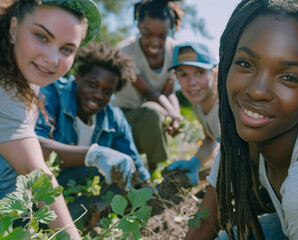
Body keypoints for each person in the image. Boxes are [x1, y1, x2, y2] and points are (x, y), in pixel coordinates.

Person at [185, 0, 298, 240]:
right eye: (246, 64)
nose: (257, 91)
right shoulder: (240, 138)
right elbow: (206, 219)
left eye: (288, 77)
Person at [0, 0, 101, 238]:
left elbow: (29, 167)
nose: (52, 59)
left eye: (66, 49)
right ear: (13, 28)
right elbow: (33, 170)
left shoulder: (22, 77)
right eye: (41, 36)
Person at [35, 42, 151, 220]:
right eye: (92, 84)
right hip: (36, 189)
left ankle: (81, 221)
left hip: (73, 190)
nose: (98, 95)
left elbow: (135, 165)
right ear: (78, 77)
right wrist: (93, 155)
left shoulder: (113, 117)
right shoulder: (52, 93)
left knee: (120, 171)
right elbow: (33, 147)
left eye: (107, 92)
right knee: (100, 170)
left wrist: (153, 196)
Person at [111, 0, 184, 174]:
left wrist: (176, 117)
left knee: (155, 112)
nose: (155, 42)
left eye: (162, 36)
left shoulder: (175, 50)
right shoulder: (125, 51)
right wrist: (171, 113)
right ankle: (149, 174)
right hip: (124, 120)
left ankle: (153, 172)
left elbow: (168, 92)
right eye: (148, 34)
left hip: (153, 117)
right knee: (153, 111)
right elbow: (148, 92)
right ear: (138, 26)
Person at [166, 42, 220, 187]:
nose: (192, 82)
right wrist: (194, 163)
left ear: (215, 74)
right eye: (183, 74)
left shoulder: (226, 104)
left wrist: (201, 178)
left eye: (200, 72)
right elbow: (211, 138)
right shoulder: (198, 102)